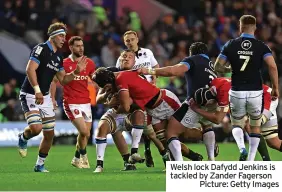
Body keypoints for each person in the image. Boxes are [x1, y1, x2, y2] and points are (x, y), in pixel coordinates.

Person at [18, 22, 88, 172]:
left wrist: (76, 72)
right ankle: (23, 137)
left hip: (45, 97)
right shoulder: (41, 49)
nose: (64, 39)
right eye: (61, 36)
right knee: (36, 129)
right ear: (53, 36)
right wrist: (36, 90)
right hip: (30, 94)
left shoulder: (58, 56)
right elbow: (30, 70)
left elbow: (63, 80)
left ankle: (39, 165)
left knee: (49, 134)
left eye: (64, 36)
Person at [93, 50, 170, 173]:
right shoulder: (109, 73)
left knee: (151, 133)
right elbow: (98, 99)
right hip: (118, 111)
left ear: (135, 61)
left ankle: (166, 157)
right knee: (104, 127)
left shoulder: (138, 74)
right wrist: (107, 99)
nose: (126, 59)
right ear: (119, 58)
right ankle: (124, 162)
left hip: (136, 109)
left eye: (130, 57)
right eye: (124, 56)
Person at [214, 15, 279, 161]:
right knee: (255, 127)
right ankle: (250, 161)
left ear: (240, 26)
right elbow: (272, 66)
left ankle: (242, 149)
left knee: (237, 123)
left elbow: (218, 65)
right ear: (255, 28)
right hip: (256, 91)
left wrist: (230, 69)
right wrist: (275, 87)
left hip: (237, 90)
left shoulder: (230, 44)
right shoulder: (262, 46)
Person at [138, 42, 218, 161]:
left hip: (195, 102)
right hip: (212, 102)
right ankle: (211, 160)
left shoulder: (192, 60)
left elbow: (174, 71)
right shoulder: (211, 65)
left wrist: (150, 71)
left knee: (171, 133)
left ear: (191, 53)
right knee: (207, 126)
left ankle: (179, 164)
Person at [189, 77, 282, 160]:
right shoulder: (215, 83)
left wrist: (197, 109)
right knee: (273, 142)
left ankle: (266, 162)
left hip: (266, 99)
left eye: (207, 106)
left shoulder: (224, 93)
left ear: (211, 101)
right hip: (258, 98)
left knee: (250, 125)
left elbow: (218, 119)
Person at [116, 30, 160, 167]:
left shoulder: (147, 52)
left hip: (151, 93)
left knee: (152, 126)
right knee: (146, 125)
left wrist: (154, 79)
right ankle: (149, 151)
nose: (130, 42)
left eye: (132, 39)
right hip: (135, 96)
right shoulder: (123, 58)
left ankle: (147, 150)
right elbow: (117, 76)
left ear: (137, 39)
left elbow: (156, 67)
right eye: (127, 40)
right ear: (124, 43)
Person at [52, 36, 96, 168]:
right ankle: (84, 156)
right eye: (77, 46)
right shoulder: (64, 63)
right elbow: (58, 81)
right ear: (71, 48)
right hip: (71, 102)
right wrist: (53, 98)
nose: (81, 48)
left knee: (85, 135)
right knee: (84, 132)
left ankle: (76, 158)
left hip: (86, 102)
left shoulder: (90, 63)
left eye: (82, 45)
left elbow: (95, 79)